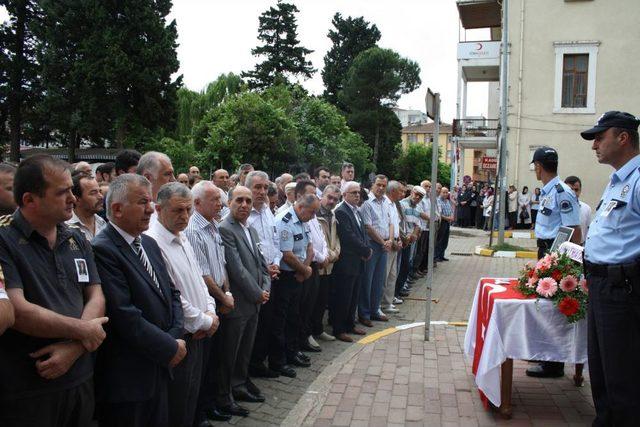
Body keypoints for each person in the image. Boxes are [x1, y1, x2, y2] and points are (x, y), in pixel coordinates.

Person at [0, 155, 107, 427]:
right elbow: (17, 310)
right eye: (62, 192)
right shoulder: (5, 240)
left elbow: (95, 294)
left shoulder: (75, 237)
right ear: (29, 200)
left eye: (72, 189)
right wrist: (85, 332)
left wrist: (75, 348)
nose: (72, 198)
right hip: (29, 389)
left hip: (80, 377)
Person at [92, 174, 185, 427]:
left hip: (158, 367)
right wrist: (169, 346)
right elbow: (124, 315)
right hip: (128, 379)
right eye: (143, 202)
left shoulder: (149, 244)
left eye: (151, 201)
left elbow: (173, 294)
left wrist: (175, 337)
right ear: (117, 209)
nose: (150, 209)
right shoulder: (103, 249)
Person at [580, 111, 640, 426]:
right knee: (602, 372)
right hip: (603, 286)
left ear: (623, 137)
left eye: (599, 138)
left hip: (624, 289)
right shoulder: (617, 181)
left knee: (623, 377)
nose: (594, 146)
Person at [147, 183, 219, 427]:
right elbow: (172, 295)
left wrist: (210, 310)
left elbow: (198, 279)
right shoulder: (152, 242)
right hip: (183, 335)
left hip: (200, 330)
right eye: (178, 210)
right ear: (158, 208)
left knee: (190, 399)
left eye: (188, 210)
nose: (185, 217)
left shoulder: (182, 235)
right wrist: (205, 320)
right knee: (177, 405)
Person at [527, 146, 582, 379]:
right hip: (547, 252)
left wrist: (560, 264)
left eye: (535, 167)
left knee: (553, 310)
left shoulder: (562, 192)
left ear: (538, 167)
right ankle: (545, 354)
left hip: (555, 255)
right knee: (545, 305)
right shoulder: (549, 191)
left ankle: (554, 364)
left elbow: (574, 231)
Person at [216, 185, 271, 418]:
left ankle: (239, 385)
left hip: (256, 301)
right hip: (239, 302)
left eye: (248, 201)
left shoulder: (251, 229)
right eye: (239, 200)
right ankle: (224, 394)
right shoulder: (225, 229)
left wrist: (266, 287)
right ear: (229, 202)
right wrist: (257, 292)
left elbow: (261, 263)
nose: (245, 205)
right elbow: (236, 269)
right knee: (230, 353)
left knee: (245, 350)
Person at [184, 181, 234, 424]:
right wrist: (222, 298)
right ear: (197, 203)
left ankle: (211, 404)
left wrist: (228, 294)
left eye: (220, 199)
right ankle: (200, 412)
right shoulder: (193, 230)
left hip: (220, 301)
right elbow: (203, 274)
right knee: (204, 365)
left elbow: (220, 265)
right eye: (215, 200)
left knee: (216, 360)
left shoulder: (214, 226)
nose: (220, 204)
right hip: (208, 304)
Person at [269, 194, 318, 376]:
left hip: (298, 275)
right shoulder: (285, 220)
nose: (313, 216)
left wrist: (304, 270)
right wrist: (304, 271)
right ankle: (278, 361)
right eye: (312, 212)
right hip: (285, 277)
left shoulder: (303, 219)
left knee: (294, 316)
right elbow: (286, 254)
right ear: (300, 207)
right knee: (280, 320)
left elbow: (309, 247)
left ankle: (292, 352)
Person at [244, 171, 283, 379]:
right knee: (254, 327)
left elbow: (274, 242)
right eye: (257, 187)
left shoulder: (268, 211)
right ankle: (247, 369)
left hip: (271, 275)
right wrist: (263, 268)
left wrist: (275, 263)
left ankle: (258, 364)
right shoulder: (243, 214)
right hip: (253, 279)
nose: (261, 192)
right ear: (247, 186)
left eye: (264, 187)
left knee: (267, 323)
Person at [330, 181, 371, 342]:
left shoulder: (356, 211)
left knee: (354, 294)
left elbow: (362, 233)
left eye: (358, 193)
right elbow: (348, 236)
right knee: (343, 296)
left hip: (358, 260)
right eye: (353, 192)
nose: (356, 195)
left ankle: (350, 324)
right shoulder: (341, 211)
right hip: (347, 261)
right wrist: (365, 250)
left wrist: (366, 248)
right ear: (344, 194)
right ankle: (339, 328)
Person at [296, 181, 328, 353]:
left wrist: (325, 255)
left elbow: (320, 237)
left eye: (315, 194)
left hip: (315, 263)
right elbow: (307, 244)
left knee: (311, 304)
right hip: (305, 265)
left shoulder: (313, 215)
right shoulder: (298, 214)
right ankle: (301, 339)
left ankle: (306, 336)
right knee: (302, 306)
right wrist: (321, 256)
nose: (314, 197)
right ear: (300, 196)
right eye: (310, 193)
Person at [358, 175, 392, 325]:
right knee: (368, 280)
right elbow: (368, 227)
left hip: (384, 244)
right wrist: (383, 242)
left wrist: (390, 240)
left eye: (384, 186)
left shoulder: (386, 202)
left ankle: (375, 309)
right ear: (373, 185)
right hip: (372, 244)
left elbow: (391, 222)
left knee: (379, 280)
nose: (381, 188)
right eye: (378, 185)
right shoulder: (367, 203)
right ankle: (364, 313)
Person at [312, 184, 341, 341]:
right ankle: (310, 332)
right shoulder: (315, 214)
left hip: (330, 264)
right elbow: (317, 240)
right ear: (321, 196)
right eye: (329, 197)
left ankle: (318, 330)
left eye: (335, 199)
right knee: (313, 302)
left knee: (323, 300)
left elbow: (336, 238)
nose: (331, 201)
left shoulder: (333, 215)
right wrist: (330, 254)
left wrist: (336, 252)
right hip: (319, 264)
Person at [380, 181, 404, 314]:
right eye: (400, 191)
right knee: (384, 275)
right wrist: (392, 240)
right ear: (393, 191)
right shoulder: (385, 203)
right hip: (388, 243)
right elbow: (387, 224)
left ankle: (387, 303)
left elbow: (396, 224)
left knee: (392, 275)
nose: (402, 194)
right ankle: (379, 303)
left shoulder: (394, 204)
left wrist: (399, 239)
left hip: (395, 241)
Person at [137, 151, 176, 227]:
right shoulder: (136, 214)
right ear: (147, 178)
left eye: (173, 174)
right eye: (167, 174)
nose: (174, 179)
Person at [67, 171, 107, 241]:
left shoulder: (102, 223)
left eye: (100, 191)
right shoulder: (66, 227)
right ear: (77, 199)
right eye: (93, 193)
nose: (101, 197)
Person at [564, 176, 592, 245]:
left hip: (579, 246)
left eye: (576, 190)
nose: (573, 193)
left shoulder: (586, 209)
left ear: (580, 190)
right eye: (570, 190)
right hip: (561, 247)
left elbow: (588, 231)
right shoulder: (557, 209)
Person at [435, 187, 454, 262]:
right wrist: (447, 218)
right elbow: (439, 213)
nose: (445, 194)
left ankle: (442, 255)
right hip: (442, 222)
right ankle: (437, 256)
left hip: (448, 222)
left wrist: (452, 216)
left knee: (445, 240)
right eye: (444, 192)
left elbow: (451, 210)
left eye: (447, 192)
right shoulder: (438, 201)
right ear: (440, 193)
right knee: (440, 240)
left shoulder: (447, 201)